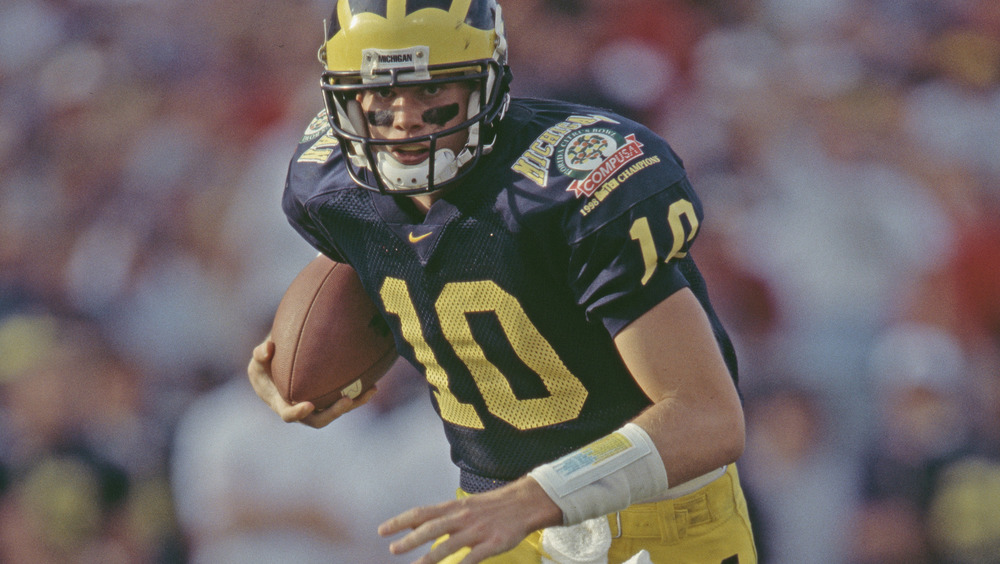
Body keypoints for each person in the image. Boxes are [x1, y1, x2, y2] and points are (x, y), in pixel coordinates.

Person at [248, 1, 756, 562]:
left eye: (430, 90)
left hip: (658, 526)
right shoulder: (334, 184)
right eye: (381, 91)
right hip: (496, 518)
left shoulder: (574, 179)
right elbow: (389, 261)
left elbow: (707, 417)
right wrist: (296, 362)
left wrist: (537, 497)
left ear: (485, 84)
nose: (403, 116)